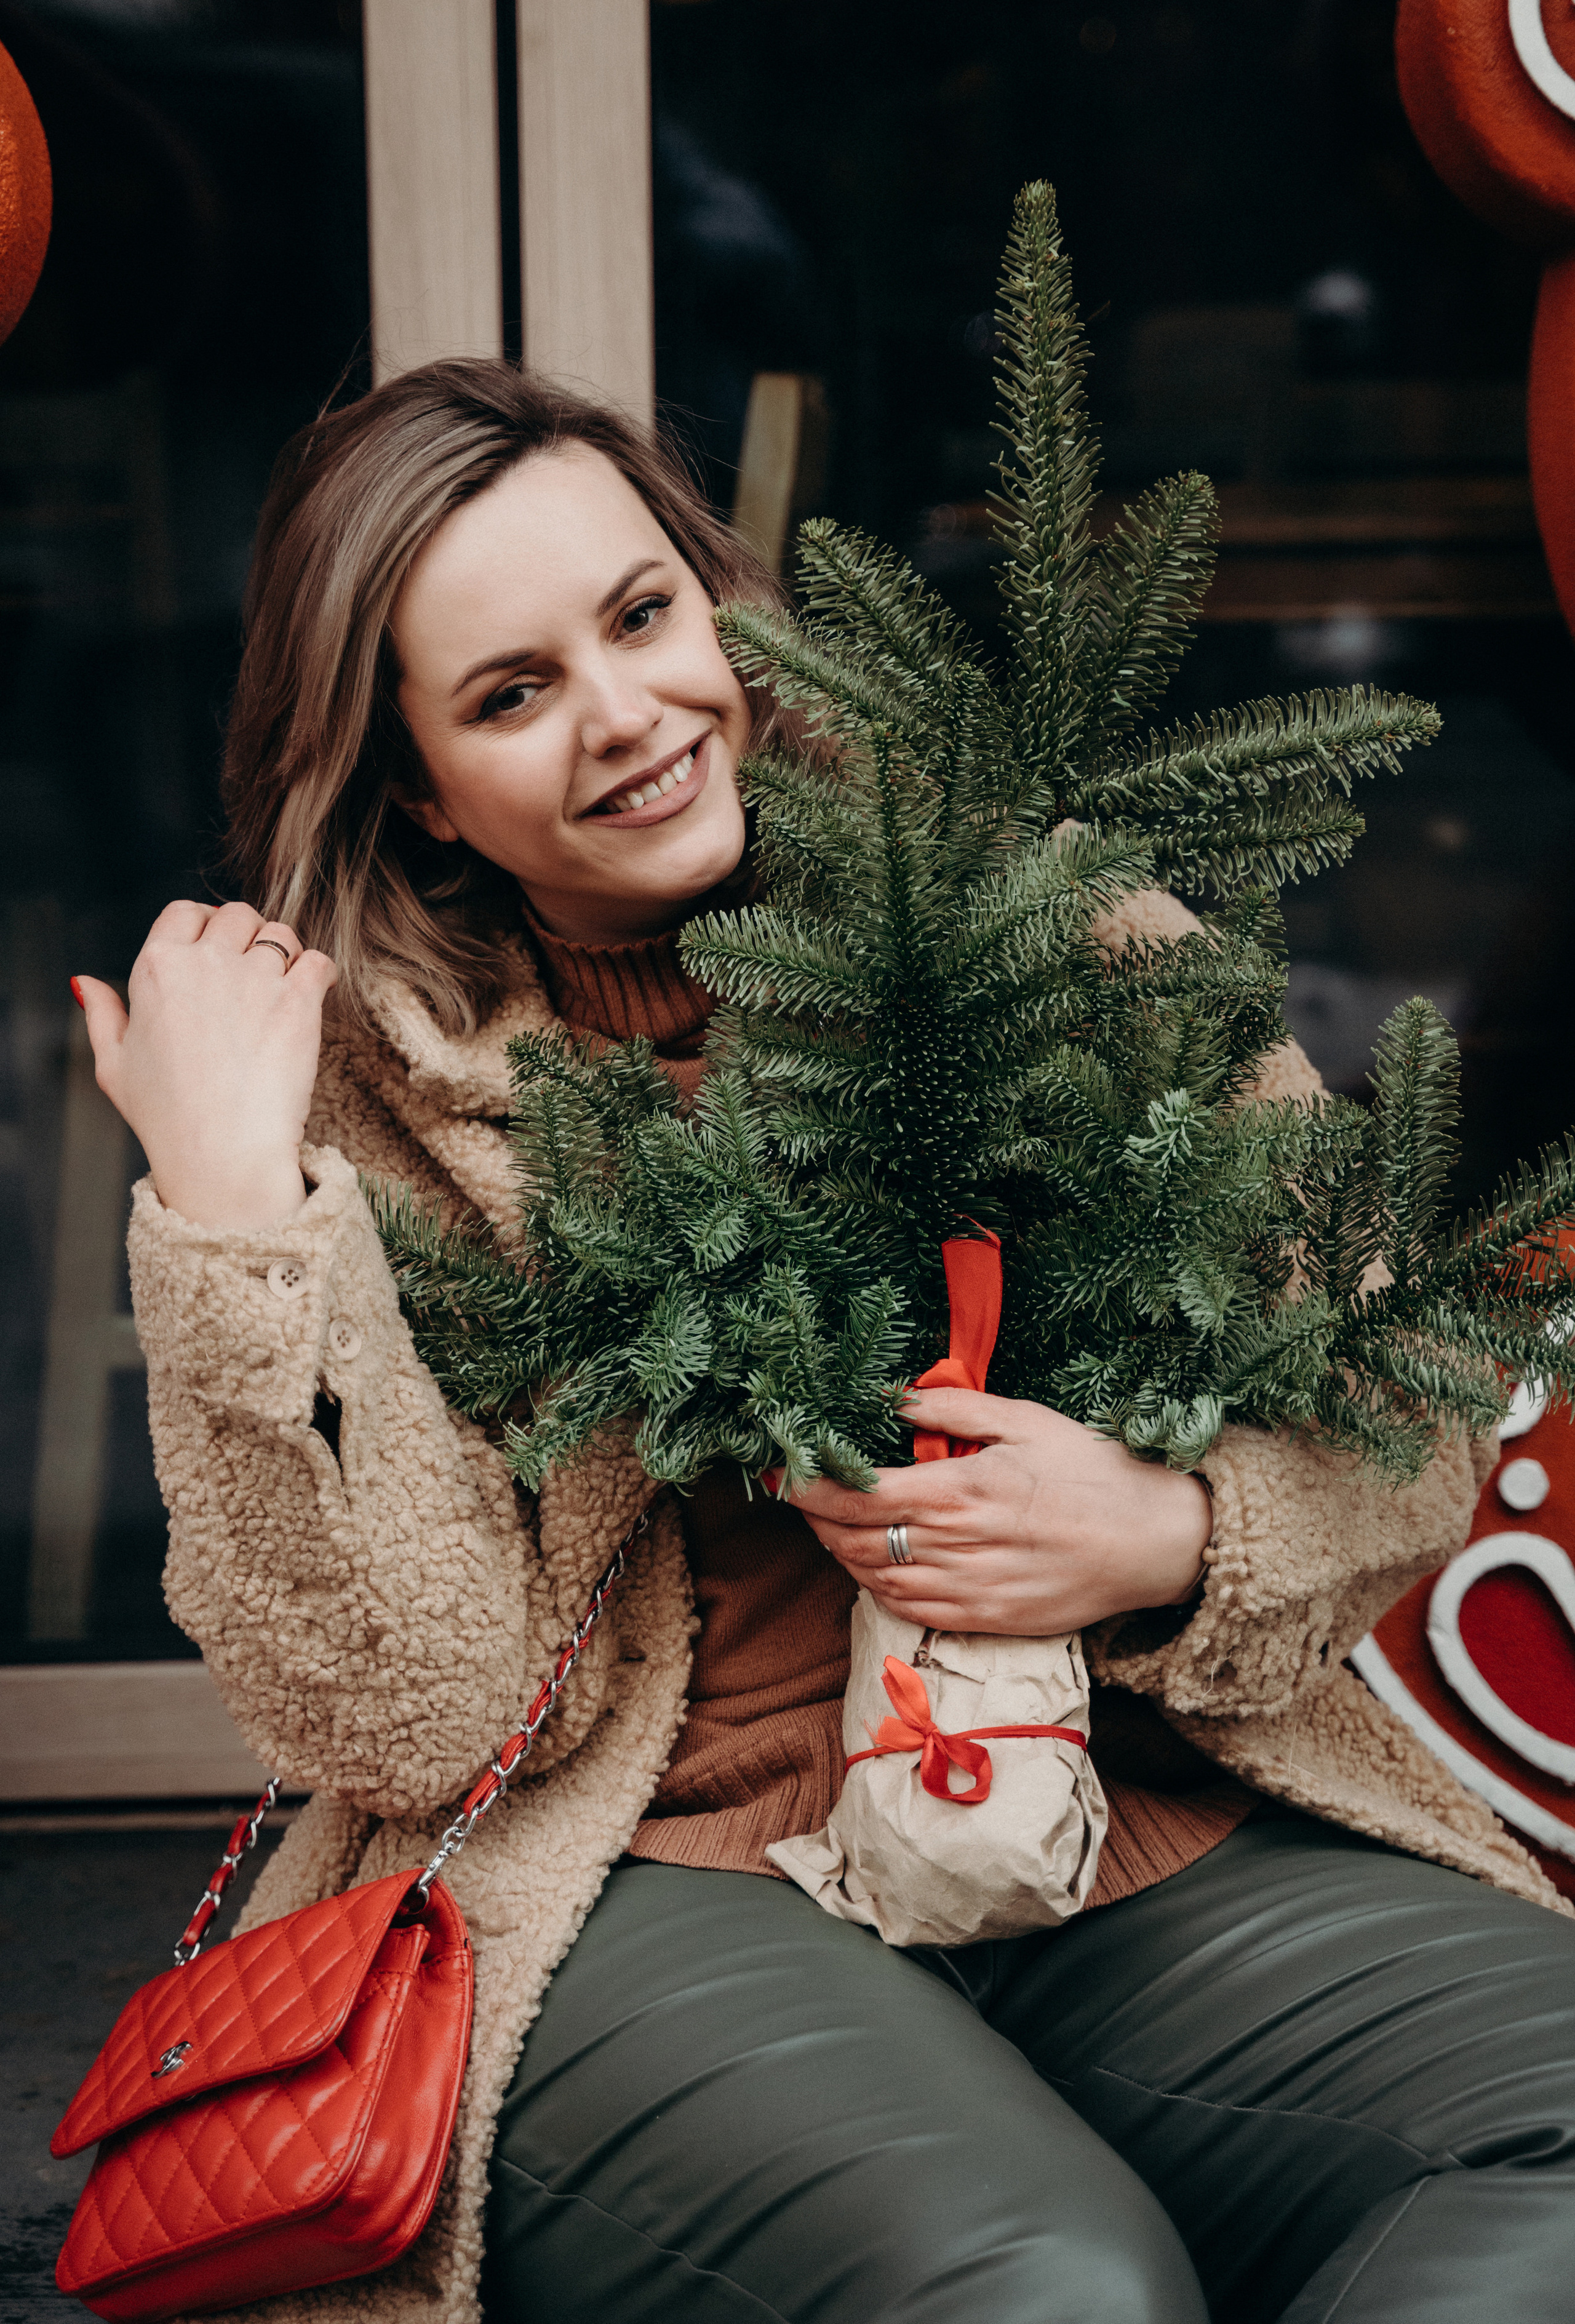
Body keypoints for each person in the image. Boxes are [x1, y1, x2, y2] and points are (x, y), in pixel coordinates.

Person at [78, 361, 1575, 2324]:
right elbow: (400, 1714)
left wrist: (1173, 1536)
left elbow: (1392, 1378)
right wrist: (229, 1211)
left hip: (1122, 1797)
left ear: (720, 605)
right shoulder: (364, 1109)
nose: (628, 720)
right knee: (1051, 2288)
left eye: (640, 616)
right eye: (512, 694)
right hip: (649, 1876)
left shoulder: (1044, 923)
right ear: (421, 790)